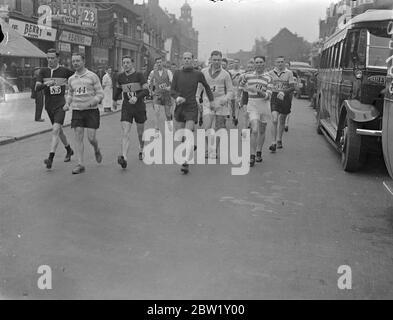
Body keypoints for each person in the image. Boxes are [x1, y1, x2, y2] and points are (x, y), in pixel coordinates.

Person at [171, 52, 214, 174]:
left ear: (192, 60)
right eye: (184, 58)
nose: (186, 60)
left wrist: (211, 101)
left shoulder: (198, 74)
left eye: (189, 58)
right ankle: (191, 146)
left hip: (191, 107)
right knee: (181, 136)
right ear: (182, 60)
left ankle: (186, 161)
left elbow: (207, 87)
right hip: (180, 107)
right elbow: (172, 90)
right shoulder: (177, 73)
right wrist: (177, 97)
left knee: (188, 133)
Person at [63, 52, 104, 174]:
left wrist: (93, 102)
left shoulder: (92, 76)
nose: (75, 63)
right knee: (78, 136)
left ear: (83, 61)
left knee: (91, 138)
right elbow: (70, 93)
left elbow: (100, 93)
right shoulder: (71, 79)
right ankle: (80, 164)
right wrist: (67, 104)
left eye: (78, 61)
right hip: (77, 111)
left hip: (91, 111)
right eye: (73, 61)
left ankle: (96, 149)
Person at [35, 49, 75, 169]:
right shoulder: (43, 71)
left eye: (52, 58)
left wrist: (72, 90)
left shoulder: (64, 71)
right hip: (49, 105)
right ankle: (69, 150)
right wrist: (46, 84)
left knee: (55, 130)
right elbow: (37, 87)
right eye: (48, 58)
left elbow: (77, 78)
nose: (50, 60)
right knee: (59, 131)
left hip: (60, 105)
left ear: (58, 59)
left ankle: (50, 158)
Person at [113, 56, 150, 169]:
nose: (125, 65)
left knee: (140, 133)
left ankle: (141, 148)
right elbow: (118, 89)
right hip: (127, 107)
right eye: (124, 63)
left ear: (132, 64)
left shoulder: (139, 75)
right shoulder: (120, 77)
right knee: (125, 132)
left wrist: (137, 97)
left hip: (139, 107)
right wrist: (114, 100)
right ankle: (124, 157)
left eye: (128, 62)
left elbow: (146, 90)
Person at [198, 50, 234, 159]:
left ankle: (215, 150)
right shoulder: (203, 72)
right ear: (211, 59)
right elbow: (199, 87)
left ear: (221, 60)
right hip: (207, 102)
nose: (217, 62)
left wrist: (225, 99)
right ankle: (208, 148)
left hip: (221, 103)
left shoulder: (225, 74)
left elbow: (231, 91)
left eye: (218, 60)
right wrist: (197, 98)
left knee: (219, 127)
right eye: (214, 59)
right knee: (207, 127)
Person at [239, 56, 272, 167]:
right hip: (252, 105)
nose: (258, 64)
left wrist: (258, 91)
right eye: (256, 62)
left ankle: (259, 152)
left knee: (262, 131)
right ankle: (252, 156)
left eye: (261, 62)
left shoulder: (268, 78)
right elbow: (241, 86)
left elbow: (268, 96)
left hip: (263, 106)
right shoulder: (247, 76)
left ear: (264, 63)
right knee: (254, 129)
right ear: (254, 64)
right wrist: (244, 92)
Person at [268, 56, 295, 151]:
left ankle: (279, 139)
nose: (280, 64)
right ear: (275, 63)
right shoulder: (270, 73)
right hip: (275, 97)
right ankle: (273, 142)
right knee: (275, 119)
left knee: (282, 120)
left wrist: (284, 92)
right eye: (278, 62)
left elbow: (292, 87)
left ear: (284, 62)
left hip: (285, 97)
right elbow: (267, 85)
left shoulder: (289, 73)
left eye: (282, 62)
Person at [147, 57, 174, 136]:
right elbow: (150, 81)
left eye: (160, 62)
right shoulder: (153, 72)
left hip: (166, 94)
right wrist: (151, 91)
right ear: (156, 63)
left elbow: (173, 82)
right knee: (156, 112)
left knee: (167, 114)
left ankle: (169, 123)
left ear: (163, 63)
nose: (159, 64)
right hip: (157, 94)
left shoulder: (168, 72)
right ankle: (156, 129)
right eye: (157, 62)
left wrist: (170, 87)